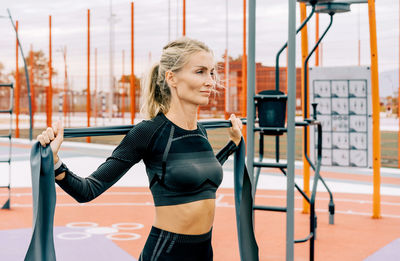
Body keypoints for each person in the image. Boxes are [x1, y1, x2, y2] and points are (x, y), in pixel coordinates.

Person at [36, 37, 243, 261]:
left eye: (211, 72)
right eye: (200, 71)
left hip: (204, 253)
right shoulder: (149, 132)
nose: (211, 81)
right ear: (171, 77)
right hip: (165, 253)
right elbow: (87, 190)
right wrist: (54, 161)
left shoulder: (201, 131)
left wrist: (233, 143)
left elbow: (201, 173)